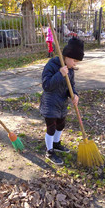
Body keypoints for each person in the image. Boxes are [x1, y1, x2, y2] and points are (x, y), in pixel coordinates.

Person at [39, 37, 84, 165]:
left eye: (77, 61)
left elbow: (72, 85)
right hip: (50, 104)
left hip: (62, 104)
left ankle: (56, 143)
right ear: (66, 56)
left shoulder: (70, 70)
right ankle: (50, 151)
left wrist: (74, 95)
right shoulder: (52, 65)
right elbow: (46, 85)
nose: (75, 63)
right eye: (74, 60)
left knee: (61, 125)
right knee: (51, 128)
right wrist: (59, 74)